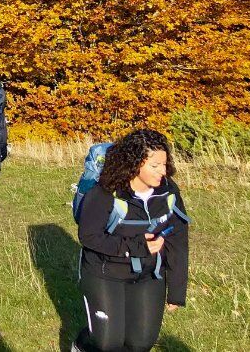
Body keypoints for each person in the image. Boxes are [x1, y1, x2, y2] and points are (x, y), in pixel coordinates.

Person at [74, 129, 189, 352]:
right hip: (105, 273)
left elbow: (178, 238)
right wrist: (136, 247)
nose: (162, 172)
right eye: (154, 166)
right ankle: (81, 345)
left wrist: (176, 290)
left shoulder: (169, 193)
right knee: (108, 343)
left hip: (148, 275)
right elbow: (88, 237)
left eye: (164, 165)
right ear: (135, 164)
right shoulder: (105, 193)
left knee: (141, 343)